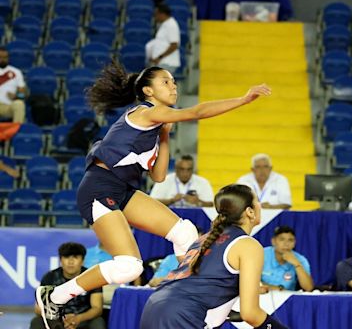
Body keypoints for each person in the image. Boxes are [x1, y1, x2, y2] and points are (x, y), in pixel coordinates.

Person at [35, 63, 271, 329]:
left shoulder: (157, 122)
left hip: (122, 191)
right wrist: (243, 99)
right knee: (130, 267)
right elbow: (198, 111)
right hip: (99, 188)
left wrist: (166, 135)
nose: (173, 86)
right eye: (166, 82)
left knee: (185, 233)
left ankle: (196, 294)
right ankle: (55, 295)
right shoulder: (145, 112)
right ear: (148, 90)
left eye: (174, 82)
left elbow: (158, 176)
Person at [140, 184, 289, 329]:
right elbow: (250, 313)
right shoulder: (248, 245)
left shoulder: (205, 238)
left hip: (154, 307)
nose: (260, 205)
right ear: (250, 211)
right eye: (258, 201)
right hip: (182, 315)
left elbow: (204, 287)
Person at [31, 242, 105, 329]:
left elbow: (97, 308)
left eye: (75, 257)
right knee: (36, 322)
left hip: (83, 319)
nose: (71, 262)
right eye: (66, 257)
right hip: (56, 320)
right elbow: (38, 308)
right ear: (60, 260)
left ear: (83, 260)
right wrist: (60, 318)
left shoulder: (92, 277)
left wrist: (77, 318)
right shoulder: (50, 277)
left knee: (98, 322)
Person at [261, 226, 314, 292]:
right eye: (282, 239)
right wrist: (277, 288)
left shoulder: (300, 259)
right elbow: (249, 282)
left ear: (294, 243)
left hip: (287, 299)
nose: (286, 244)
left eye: (290, 240)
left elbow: (308, 288)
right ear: (273, 241)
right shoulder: (261, 254)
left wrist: (297, 264)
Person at [150, 154, 214, 207]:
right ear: (176, 168)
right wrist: (171, 201)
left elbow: (211, 204)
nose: (185, 173)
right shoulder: (164, 180)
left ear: (193, 170)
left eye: (189, 169)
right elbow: (152, 201)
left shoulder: (203, 182)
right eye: (182, 169)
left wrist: (198, 202)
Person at [145, 4, 180, 72]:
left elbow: (174, 45)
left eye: (156, 14)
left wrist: (159, 57)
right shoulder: (164, 25)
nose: (155, 17)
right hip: (162, 63)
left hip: (167, 63)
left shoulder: (171, 25)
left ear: (162, 14)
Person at [0, 46, 26, 123]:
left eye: (5, 57)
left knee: (19, 104)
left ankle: (16, 131)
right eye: (0, 57)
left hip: (9, 107)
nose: (2, 60)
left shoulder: (16, 72)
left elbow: (22, 95)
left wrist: (16, 96)